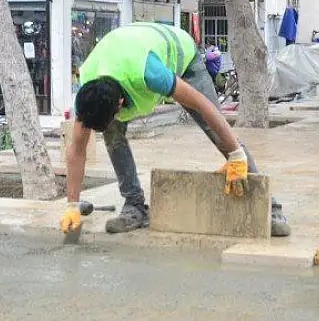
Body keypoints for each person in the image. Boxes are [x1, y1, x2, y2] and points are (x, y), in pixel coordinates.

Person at [59, 21, 291, 237]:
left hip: (181, 53)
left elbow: (204, 104)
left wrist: (236, 155)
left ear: (119, 103)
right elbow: (77, 150)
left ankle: (270, 207)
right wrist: (72, 205)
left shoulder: (150, 73)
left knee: (215, 129)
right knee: (113, 136)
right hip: (125, 51)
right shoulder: (89, 95)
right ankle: (135, 206)